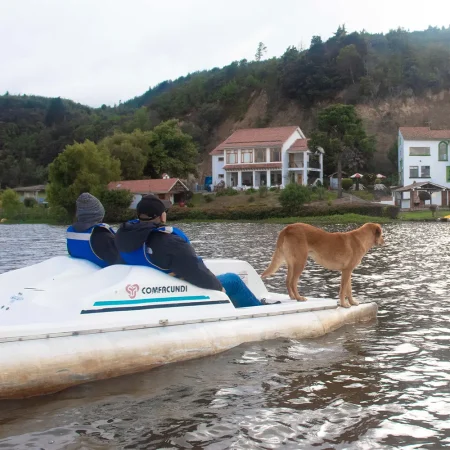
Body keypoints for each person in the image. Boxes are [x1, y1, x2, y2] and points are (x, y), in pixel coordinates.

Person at [115, 194, 262, 308]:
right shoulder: (168, 241)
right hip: (177, 289)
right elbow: (195, 271)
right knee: (233, 280)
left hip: (149, 289)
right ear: (162, 216)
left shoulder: (123, 236)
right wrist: (219, 289)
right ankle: (259, 311)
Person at [66, 192, 123, 267]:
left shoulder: (71, 233)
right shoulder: (101, 235)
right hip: (104, 275)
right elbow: (121, 259)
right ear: (98, 214)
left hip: (84, 273)